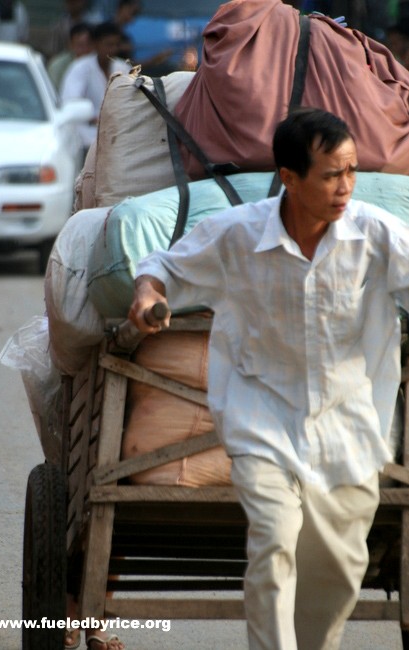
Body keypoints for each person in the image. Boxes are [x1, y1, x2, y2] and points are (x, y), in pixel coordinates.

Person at [128, 107, 409, 650]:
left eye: (351, 170)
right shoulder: (236, 234)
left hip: (349, 427)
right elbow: (163, 265)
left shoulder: (376, 236)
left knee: (340, 568)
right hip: (262, 418)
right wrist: (147, 293)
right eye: (331, 174)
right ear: (289, 177)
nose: (345, 186)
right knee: (275, 543)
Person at [60, 21, 131, 155]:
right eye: (109, 45)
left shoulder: (123, 68)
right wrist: (95, 119)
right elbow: (70, 103)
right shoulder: (79, 68)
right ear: (96, 44)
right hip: (86, 139)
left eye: (116, 45)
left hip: (118, 137)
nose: (113, 50)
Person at [47, 22, 93, 91]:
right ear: (70, 45)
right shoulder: (57, 66)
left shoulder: (98, 64)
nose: (85, 49)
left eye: (88, 45)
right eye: (80, 45)